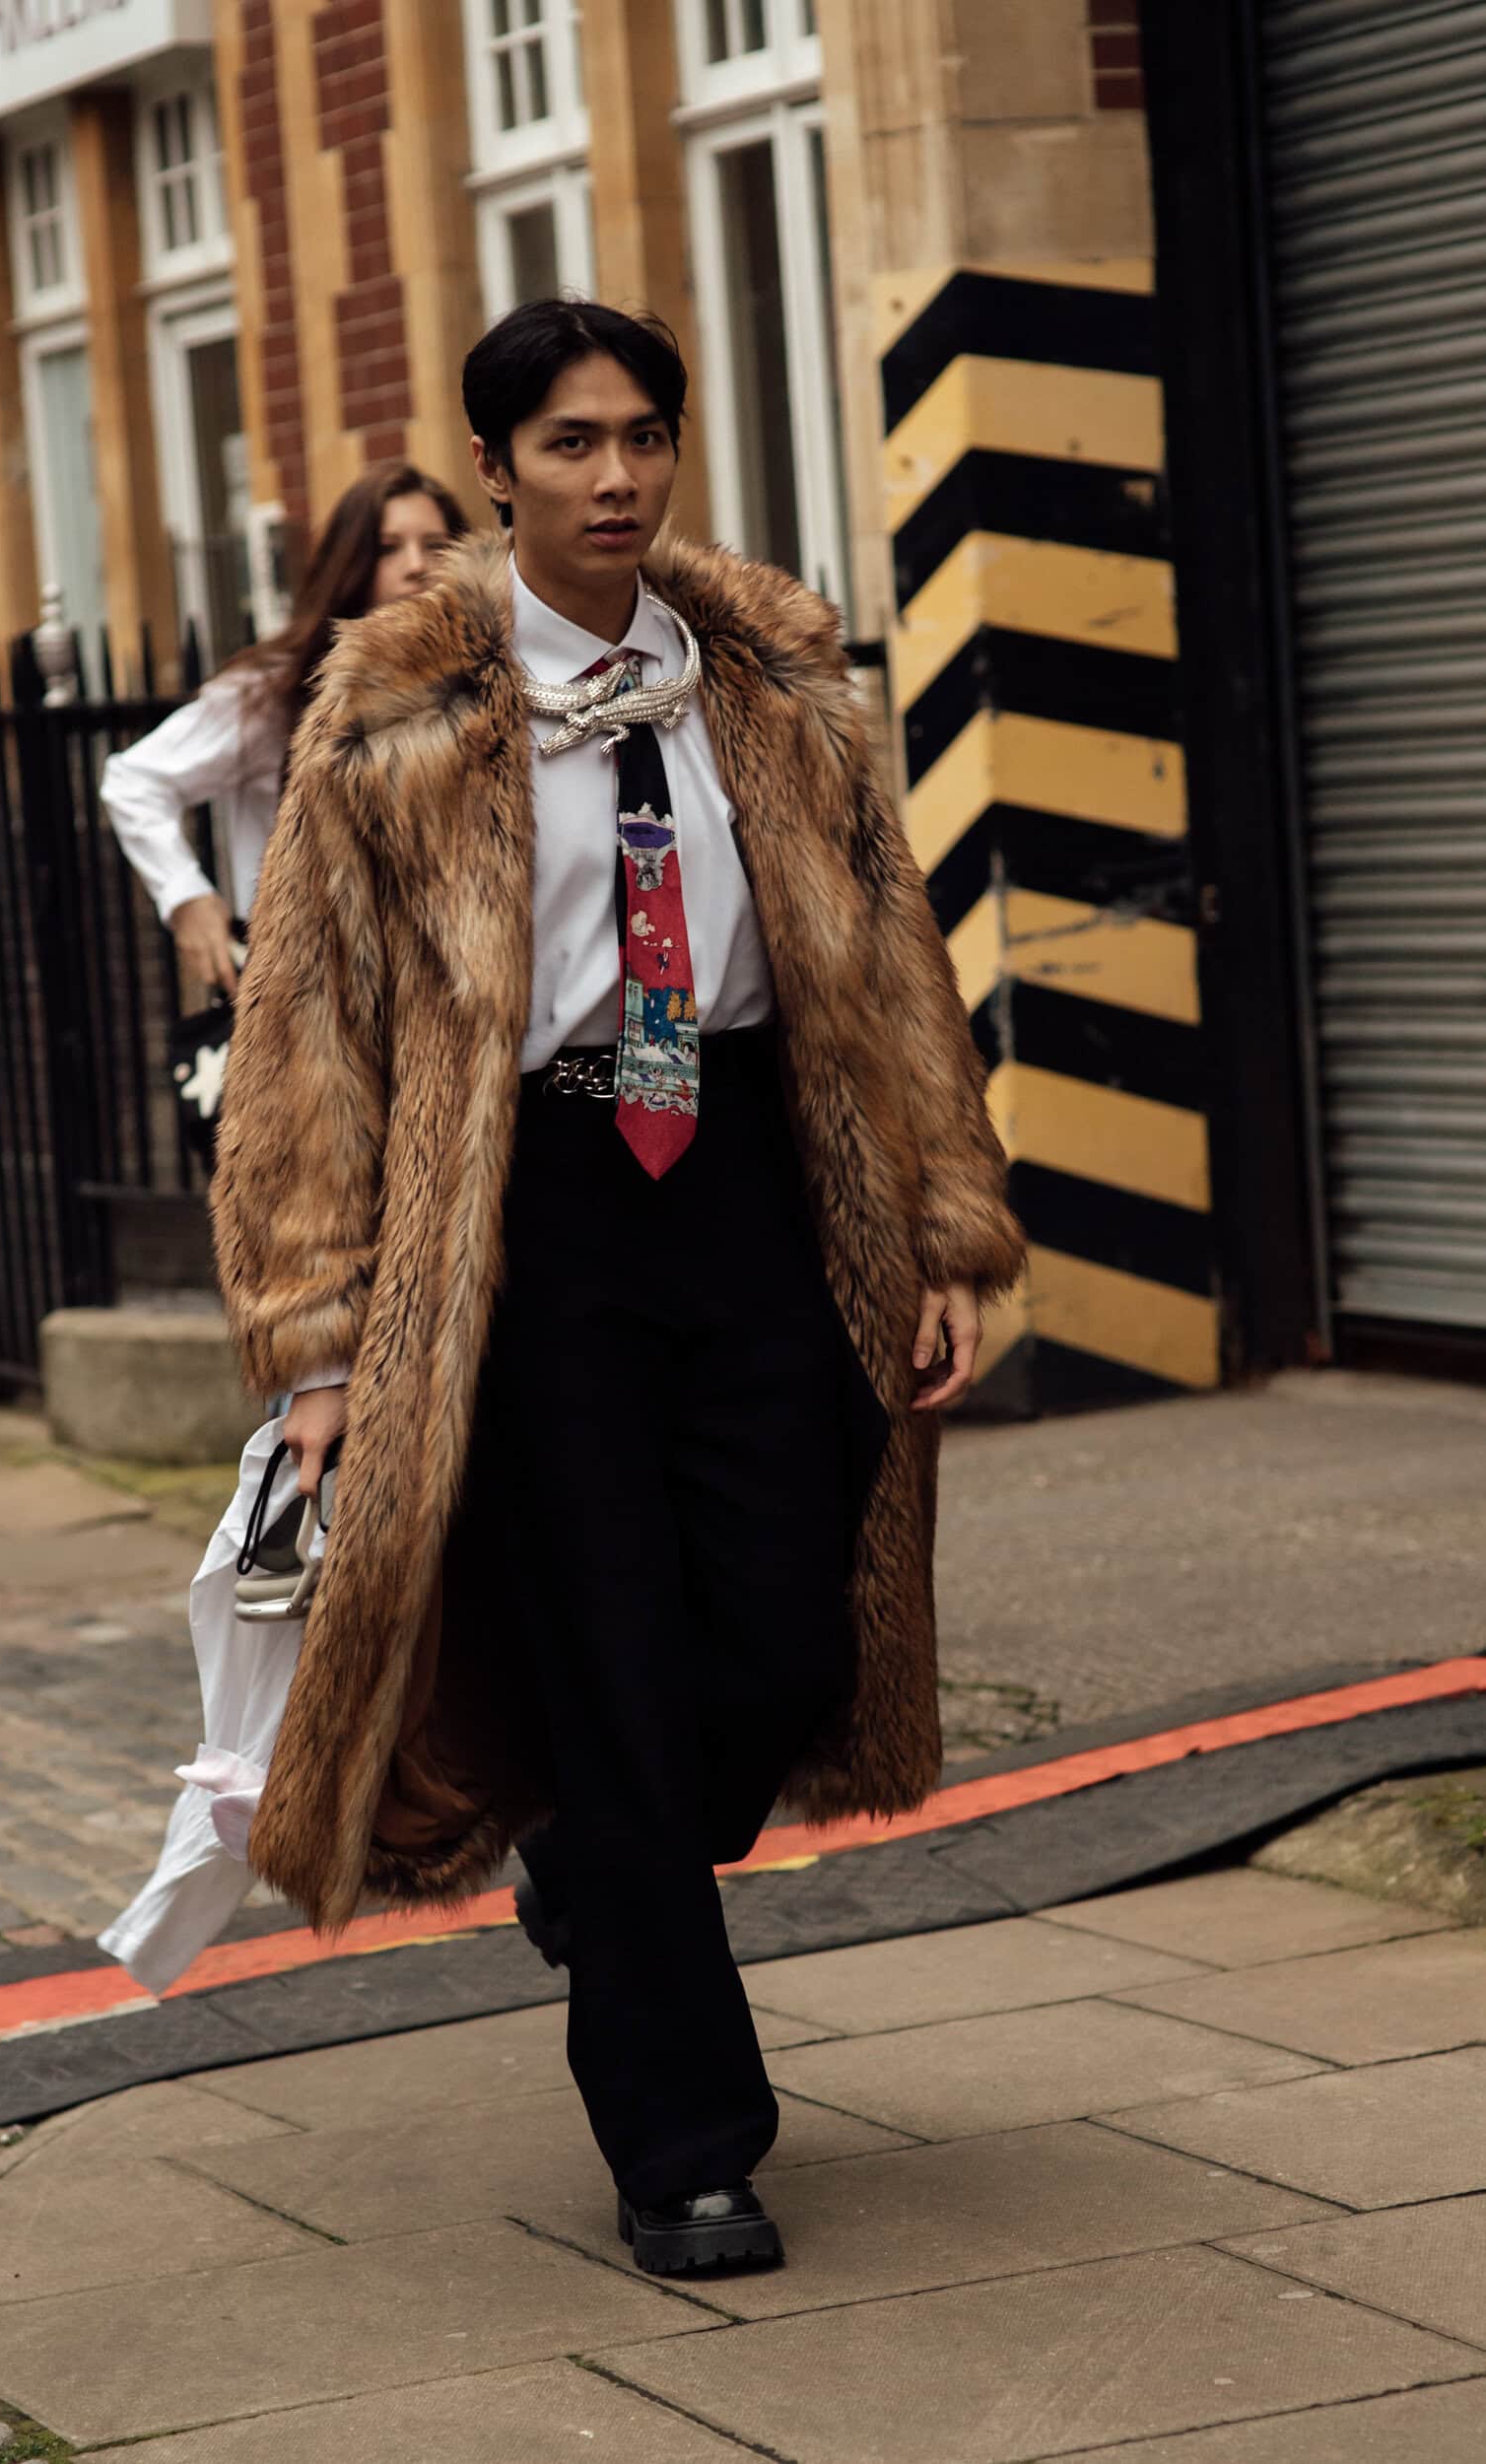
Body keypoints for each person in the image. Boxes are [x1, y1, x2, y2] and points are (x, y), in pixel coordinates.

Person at [209, 300, 1026, 2278]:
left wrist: (942, 1219)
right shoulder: (393, 713)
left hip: (753, 1181)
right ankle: (686, 2145)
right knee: (615, 1668)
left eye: (643, 435)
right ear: (497, 469)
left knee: (786, 1631)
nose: (614, 475)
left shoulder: (773, 674)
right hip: (527, 1220)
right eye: (570, 443)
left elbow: (891, 959)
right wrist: (317, 1342)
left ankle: (589, 1845)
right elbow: (306, 1038)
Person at [101, 462, 469, 995]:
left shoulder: (480, 688)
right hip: (311, 1000)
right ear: (351, 564)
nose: (416, 566)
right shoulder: (275, 693)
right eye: (388, 548)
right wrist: (186, 899)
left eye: (434, 546)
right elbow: (134, 781)